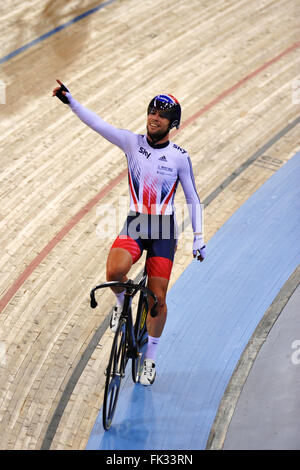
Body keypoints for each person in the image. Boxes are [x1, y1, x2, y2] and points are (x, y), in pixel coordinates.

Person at [52, 79, 206, 386]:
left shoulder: (178, 156)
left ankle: (150, 359)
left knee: (158, 300)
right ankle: (122, 306)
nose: (154, 117)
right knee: (115, 271)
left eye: (162, 115)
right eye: (152, 111)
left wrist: (199, 237)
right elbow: (97, 123)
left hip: (163, 229)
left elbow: (192, 198)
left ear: (172, 124)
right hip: (137, 222)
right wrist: (71, 101)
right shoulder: (130, 142)